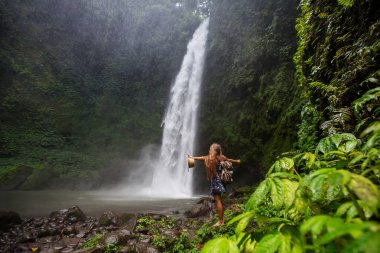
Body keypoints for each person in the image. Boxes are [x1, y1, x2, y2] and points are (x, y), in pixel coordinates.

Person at [189, 143, 241, 226]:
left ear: (214, 151)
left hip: (215, 181)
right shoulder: (221, 157)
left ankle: (221, 221)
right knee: (219, 200)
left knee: (218, 201)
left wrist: (192, 158)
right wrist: (236, 161)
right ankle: (221, 220)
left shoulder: (210, 158)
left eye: (211, 149)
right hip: (220, 180)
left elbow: (202, 158)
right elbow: (229, 160)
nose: (209, 150)